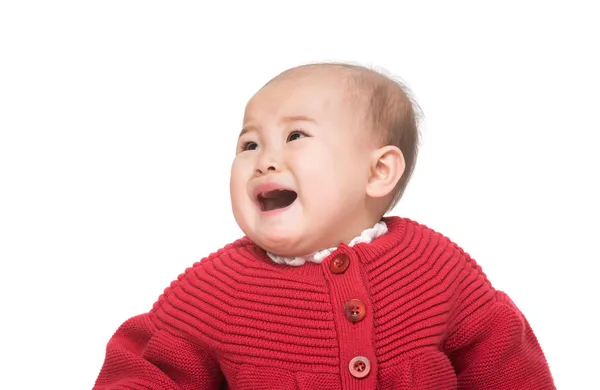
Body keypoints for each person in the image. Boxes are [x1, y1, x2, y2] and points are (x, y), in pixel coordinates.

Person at [93, 62, 555, 389]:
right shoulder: (215, 291)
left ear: (378, 173)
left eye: (295, 136)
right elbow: (149, 371)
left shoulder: (435, 267)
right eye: (249, 144)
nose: (264, 160)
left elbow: (504, 364)